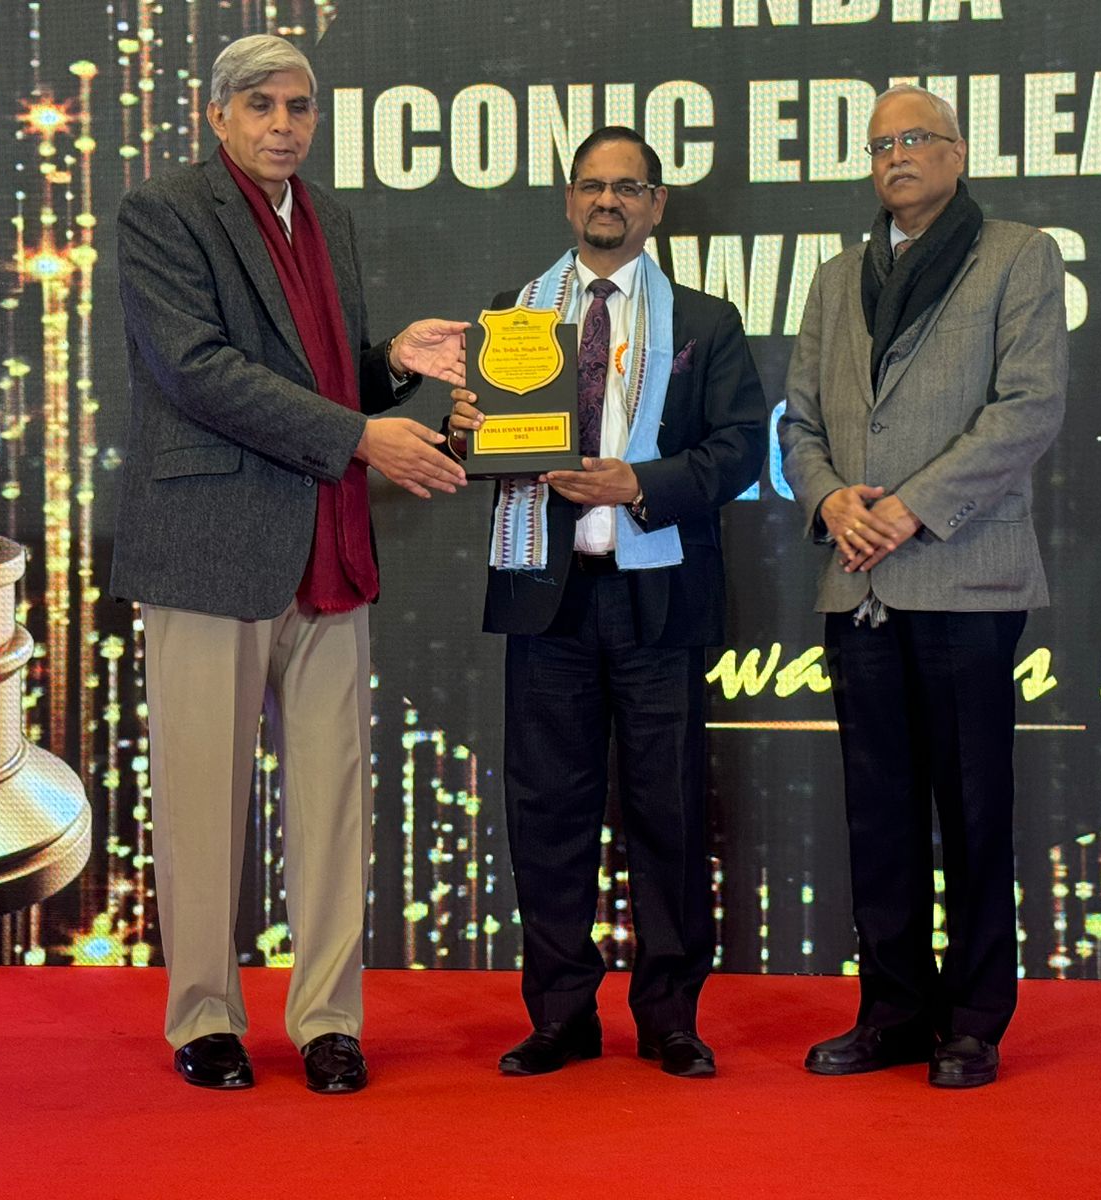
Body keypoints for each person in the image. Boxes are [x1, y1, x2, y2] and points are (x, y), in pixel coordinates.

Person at [111, 33, 469, 1094]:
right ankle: (204, 1018)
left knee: (334, 802)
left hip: (327, 543)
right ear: (216, 114)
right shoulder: (163, 212)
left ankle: (328, 1021)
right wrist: (360, 436)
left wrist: (389, 364)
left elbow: (319, 374)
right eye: (261, 104)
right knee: (201, 800)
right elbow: (198, 371)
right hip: (209, 545)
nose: (282, 124)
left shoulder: (328, 219)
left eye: (299, 106)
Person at [447, 126, 766, 1079]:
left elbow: (741, 448)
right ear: (568, 199)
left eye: (628, 187)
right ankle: (560, 1017)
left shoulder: (705, 320)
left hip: (658, 596)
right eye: (592, 185)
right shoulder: (512, 317)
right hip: (547, 597)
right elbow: (480, 450)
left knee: (669, 813)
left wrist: (640, 484)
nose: (607, 201)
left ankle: (669, 1017)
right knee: (547, 814)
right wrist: (464, 431)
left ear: (657, 205)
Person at [779, 84, 1067, 1088]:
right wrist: (831, 501)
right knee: (878, 815)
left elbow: (1028, 407)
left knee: (975, 812)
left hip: (966, 575)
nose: (895, 156)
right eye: (879, 145)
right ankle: (893, 1012)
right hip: (856, 580)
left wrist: (910, 507)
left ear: (956, 152)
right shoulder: (836, 277)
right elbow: (799, 422)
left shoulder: (1018, 255)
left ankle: (974, 1020)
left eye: (914, 139)